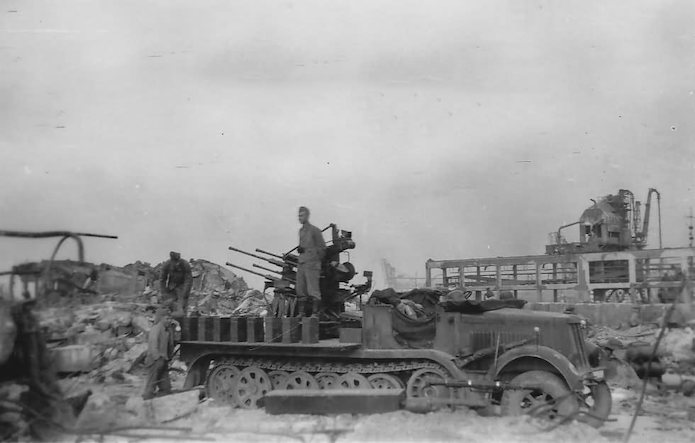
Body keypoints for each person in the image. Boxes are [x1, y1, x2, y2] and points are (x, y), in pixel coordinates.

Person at [296, 206, 326, 317]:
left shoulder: (315, 230)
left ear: (307, 216)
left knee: (313, 290)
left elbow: (322, 248)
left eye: (302, 215)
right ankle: (302, 313)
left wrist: (314, 257)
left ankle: (315, 313)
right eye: (299, 216)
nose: (300, 218)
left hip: (312, 264)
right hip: (302, 263)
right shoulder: (301, 231)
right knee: (300, 289)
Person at [143, 307, 174, 400]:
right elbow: (153, 345)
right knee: (151, 384)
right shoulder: (156, 329)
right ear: (161, 318)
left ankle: (160, 401)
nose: (169, 321)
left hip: (163, 360)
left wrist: (168, 357)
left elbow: (169, 345)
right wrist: (157, 358)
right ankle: (146, 401)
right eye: (167, 318)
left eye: (170, 318)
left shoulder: (167, 330)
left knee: (166, 387)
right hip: (154, 360)